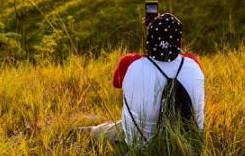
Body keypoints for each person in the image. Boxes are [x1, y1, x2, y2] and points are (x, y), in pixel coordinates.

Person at [88, 13, 205, 143]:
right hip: (190, 141)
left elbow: (117, 83)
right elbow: (179, 58)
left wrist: (152, 32)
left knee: (103, 130)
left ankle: (85, 131)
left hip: (140, 144)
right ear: (179, 40)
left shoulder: (129, 63)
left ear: (149, 39)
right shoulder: (193, 63)